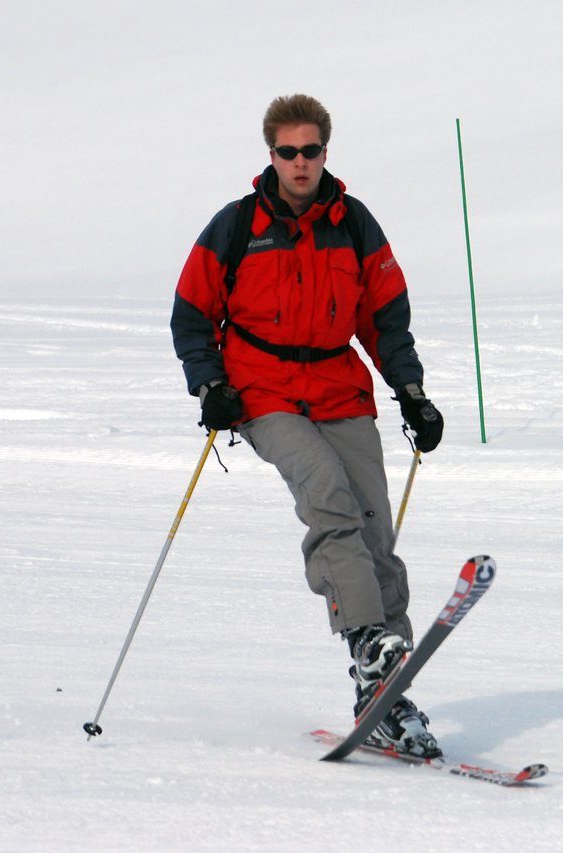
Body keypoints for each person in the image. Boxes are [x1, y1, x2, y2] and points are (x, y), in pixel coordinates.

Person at [170, 94, 445, 757]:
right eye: (288, 152)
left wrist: (410, 391)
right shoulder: (236, 226)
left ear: (326, 152)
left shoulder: (353, 224)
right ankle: (366, 642)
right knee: (329, 496)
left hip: (336, 384)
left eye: (311, 150)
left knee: (373, 527)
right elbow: (190, 313)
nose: (300, 162)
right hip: (260, 388)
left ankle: (384, 692)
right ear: (271, 155)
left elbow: (385, 317)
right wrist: (210, 385)